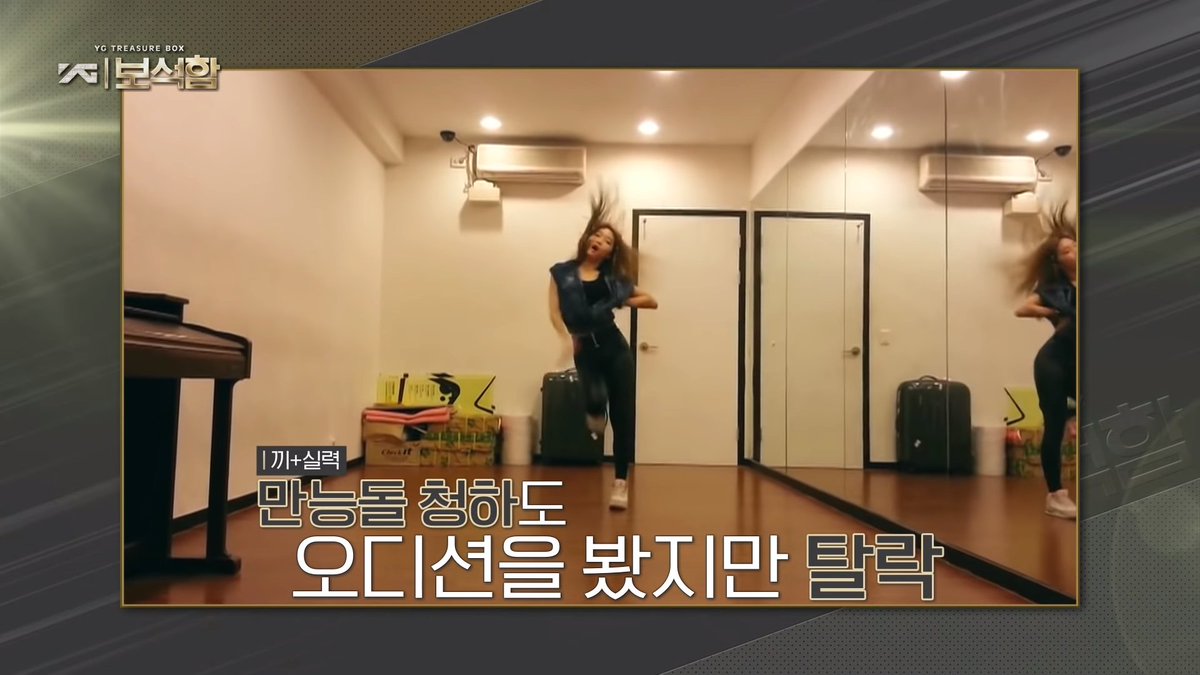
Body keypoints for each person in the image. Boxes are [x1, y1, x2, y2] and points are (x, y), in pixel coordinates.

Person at [548, 190, 658, 510]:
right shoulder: (561, 272)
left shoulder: (611, 280)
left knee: (623, 416)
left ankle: (620, 483)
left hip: (614, 346)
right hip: (585, 348)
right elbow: (554, 311)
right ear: (588, 239)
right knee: (596, 401)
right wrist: (564, 337)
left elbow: (651, 300)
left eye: (607, 240)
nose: (599, 240)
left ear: (610, 252)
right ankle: (596, 413)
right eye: (597, 235)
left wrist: (618, 300)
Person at [1014, 204, 1078, 519]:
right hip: (1053, 363)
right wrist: (1052, 312)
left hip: (1080, 364)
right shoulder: (1054, 290)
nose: (1074, 252)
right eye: (1066, 250)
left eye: (1075, 245)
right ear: (1058, 260)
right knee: (1054, 426)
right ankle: (1056, 496)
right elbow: (1022, 309)